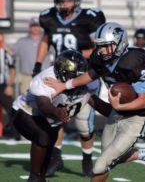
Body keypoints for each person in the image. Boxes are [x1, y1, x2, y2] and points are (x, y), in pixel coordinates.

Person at [44, 22, 145, 182]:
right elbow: (91, 74)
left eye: (107, 46)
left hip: (138, 116)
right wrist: (64, 85)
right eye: (100, 46)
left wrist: (120, 105)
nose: (102, 51)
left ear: (120, 42)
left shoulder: (135, 61)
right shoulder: (100, 58)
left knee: (101, 164)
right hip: (117, 112)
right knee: (111, 156)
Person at [32, 0, 106, 177]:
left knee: (83, 125)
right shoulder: (49, 18)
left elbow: (98, 47)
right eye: (61, 2)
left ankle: (87, 157)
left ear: (77, 1)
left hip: (83, 76)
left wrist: (80, 58)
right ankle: (55, 157)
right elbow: (46, 40)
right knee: (56, 115)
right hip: (58, 75)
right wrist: (38, 64)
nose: (64, 5)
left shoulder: (89, 19)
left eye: (68, 1)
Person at [13, 50, 111, 182]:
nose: (75, 79)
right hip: (25, 112)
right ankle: (34, 177)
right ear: (62, 72)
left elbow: (97, 104)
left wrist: (120, 112)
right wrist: (56, 112)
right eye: (72, 75)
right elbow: (44, 105)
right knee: (43, 138)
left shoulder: (86, 82)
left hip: (51, 120)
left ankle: (40, 177)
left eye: (78, 76)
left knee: (48, 145)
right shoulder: (46, 79)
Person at [13, 17, 53, 94]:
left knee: (44, 99)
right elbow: (12, 53)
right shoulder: (22, 41)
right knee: (26, 101)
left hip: (44, 76)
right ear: (29, 27)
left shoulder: (47, 40)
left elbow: (56, 54)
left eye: (37, 26)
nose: (35, 28)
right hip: (27, 76)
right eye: (33, 26)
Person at [0, 32, 19, 139]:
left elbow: (12, 69)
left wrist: (10, 85)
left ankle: (15, 135)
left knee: (12, 109)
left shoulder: (5, 52)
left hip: (2, 85)